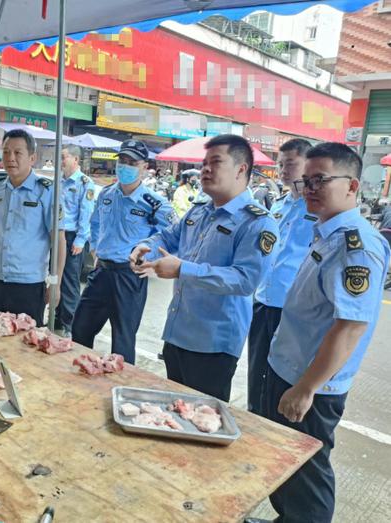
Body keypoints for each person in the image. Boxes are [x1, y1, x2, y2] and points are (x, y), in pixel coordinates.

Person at [258, 143, 390, 523]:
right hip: (289, 367)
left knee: (309, 478)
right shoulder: (326, 231)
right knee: (287, 466)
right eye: (306, 180)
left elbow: (349, 328)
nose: (310, 188)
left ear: (351, 185)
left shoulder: (357, 246)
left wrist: (306, 388)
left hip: (311, 383)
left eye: (321, 180)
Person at [131, 134, 279, 402]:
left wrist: (182, 270)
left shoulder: (257, 223)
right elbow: (167, 237)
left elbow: (245, 280)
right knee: (173, 411)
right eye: (204, 163)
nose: (205, 169)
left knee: (203, 422)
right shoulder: (199, 211)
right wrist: (144, 247)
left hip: (213, 345)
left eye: (216, 162)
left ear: (241, 169)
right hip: (178, 332)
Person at [72, 140, 175, 365]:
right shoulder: (106, 194)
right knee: (80, 329)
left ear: (144, 167)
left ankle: (120, 388)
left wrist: (152, 262)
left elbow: (172, 237)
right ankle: (84, 374)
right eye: (122, 161)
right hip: (102, 272)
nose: (124, 166)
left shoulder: (155, 204)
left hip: (129, 277)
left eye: (131, 162)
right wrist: (97, 249)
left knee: (122, 342)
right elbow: (96, 223)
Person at [247, 139, 315, 415]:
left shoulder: (316, 208)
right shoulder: (279, 204)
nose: (283, 170)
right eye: (281, 163)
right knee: (256, 369)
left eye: (291, 164)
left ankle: (275, 424)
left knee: (282, 375)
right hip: (263, 300)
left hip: (291, 307)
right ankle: (254, 417)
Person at [0, 129, 67, 325]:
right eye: (6, 152)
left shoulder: (47, 192)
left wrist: (56, 283)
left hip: (28, 286)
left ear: (32, 158)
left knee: (27, 345)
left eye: (17, 153)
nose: (10, 158)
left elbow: (58, 240)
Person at [54, 145, 96, 337]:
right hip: (58, 234)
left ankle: (70, 325)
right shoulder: (60, 181)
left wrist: (80, 240)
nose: (61, 161)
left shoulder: (84, 183)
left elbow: (86, 214)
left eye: (64, 157)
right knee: (56, 278)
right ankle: (57, 318)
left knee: (70, 282)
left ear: (76, 160)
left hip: (73, 238)